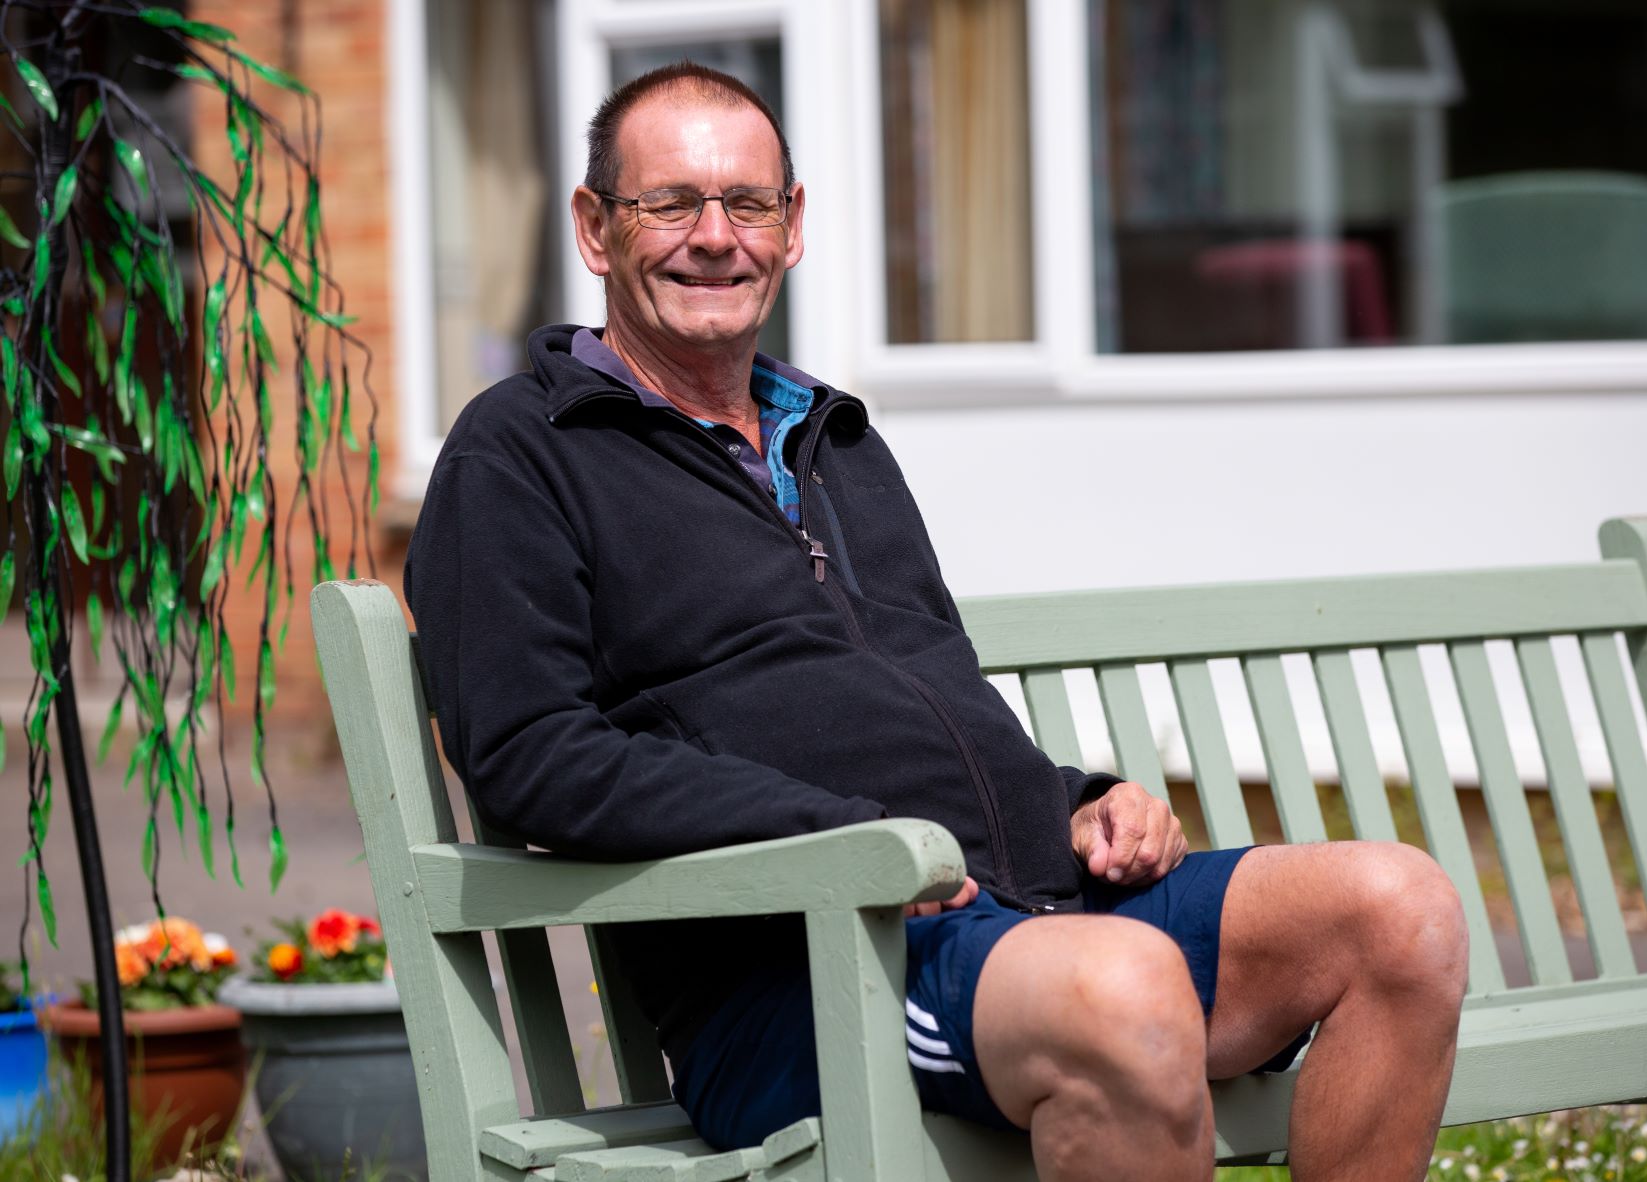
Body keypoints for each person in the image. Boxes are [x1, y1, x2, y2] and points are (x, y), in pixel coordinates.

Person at [405, 61, 1469, 1182]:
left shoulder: (832, 439)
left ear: (793, 225)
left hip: (1018, 910)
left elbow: (931, 699)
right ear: (594, 227)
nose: (714, 237)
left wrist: (1087, 801)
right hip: (813, 968)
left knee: (1402, 912)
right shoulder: (521, 451)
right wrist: (838, 834)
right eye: (670, 203)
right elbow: (529, 755)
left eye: (748, 204)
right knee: (1122, 984)